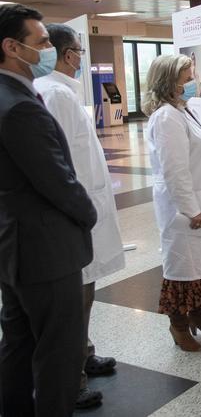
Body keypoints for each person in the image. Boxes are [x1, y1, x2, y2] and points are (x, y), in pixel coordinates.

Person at [0, 3, 97, 415]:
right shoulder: (20, 107)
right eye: (41, 43)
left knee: (18, 343)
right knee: (58, 353)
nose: (48, 51)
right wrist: (88, 213)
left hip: (14, 245)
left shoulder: (10, 94)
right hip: (45, 248)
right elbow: (56, 179)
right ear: (11, 47)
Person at [34, 23, 126, 409]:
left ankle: (83, 353)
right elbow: (61, 163)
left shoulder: (60, 92)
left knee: (84, 293)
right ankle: (73, 378)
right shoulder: (54, 93)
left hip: (84, 208)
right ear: (68, 54)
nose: (80, 58)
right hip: (76, 212)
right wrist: (84, 208)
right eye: (78, 51)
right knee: (76, 297)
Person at [143, 54, 201, 352]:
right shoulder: (167, 117)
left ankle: (200, 315)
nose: (192, 81)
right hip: (184, 208)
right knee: (183, 268)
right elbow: (175, 169)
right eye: (187, 76)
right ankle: (178, 325)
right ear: (169, 80)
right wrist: (191, 209)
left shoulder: (181, 110)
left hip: (200, 198)